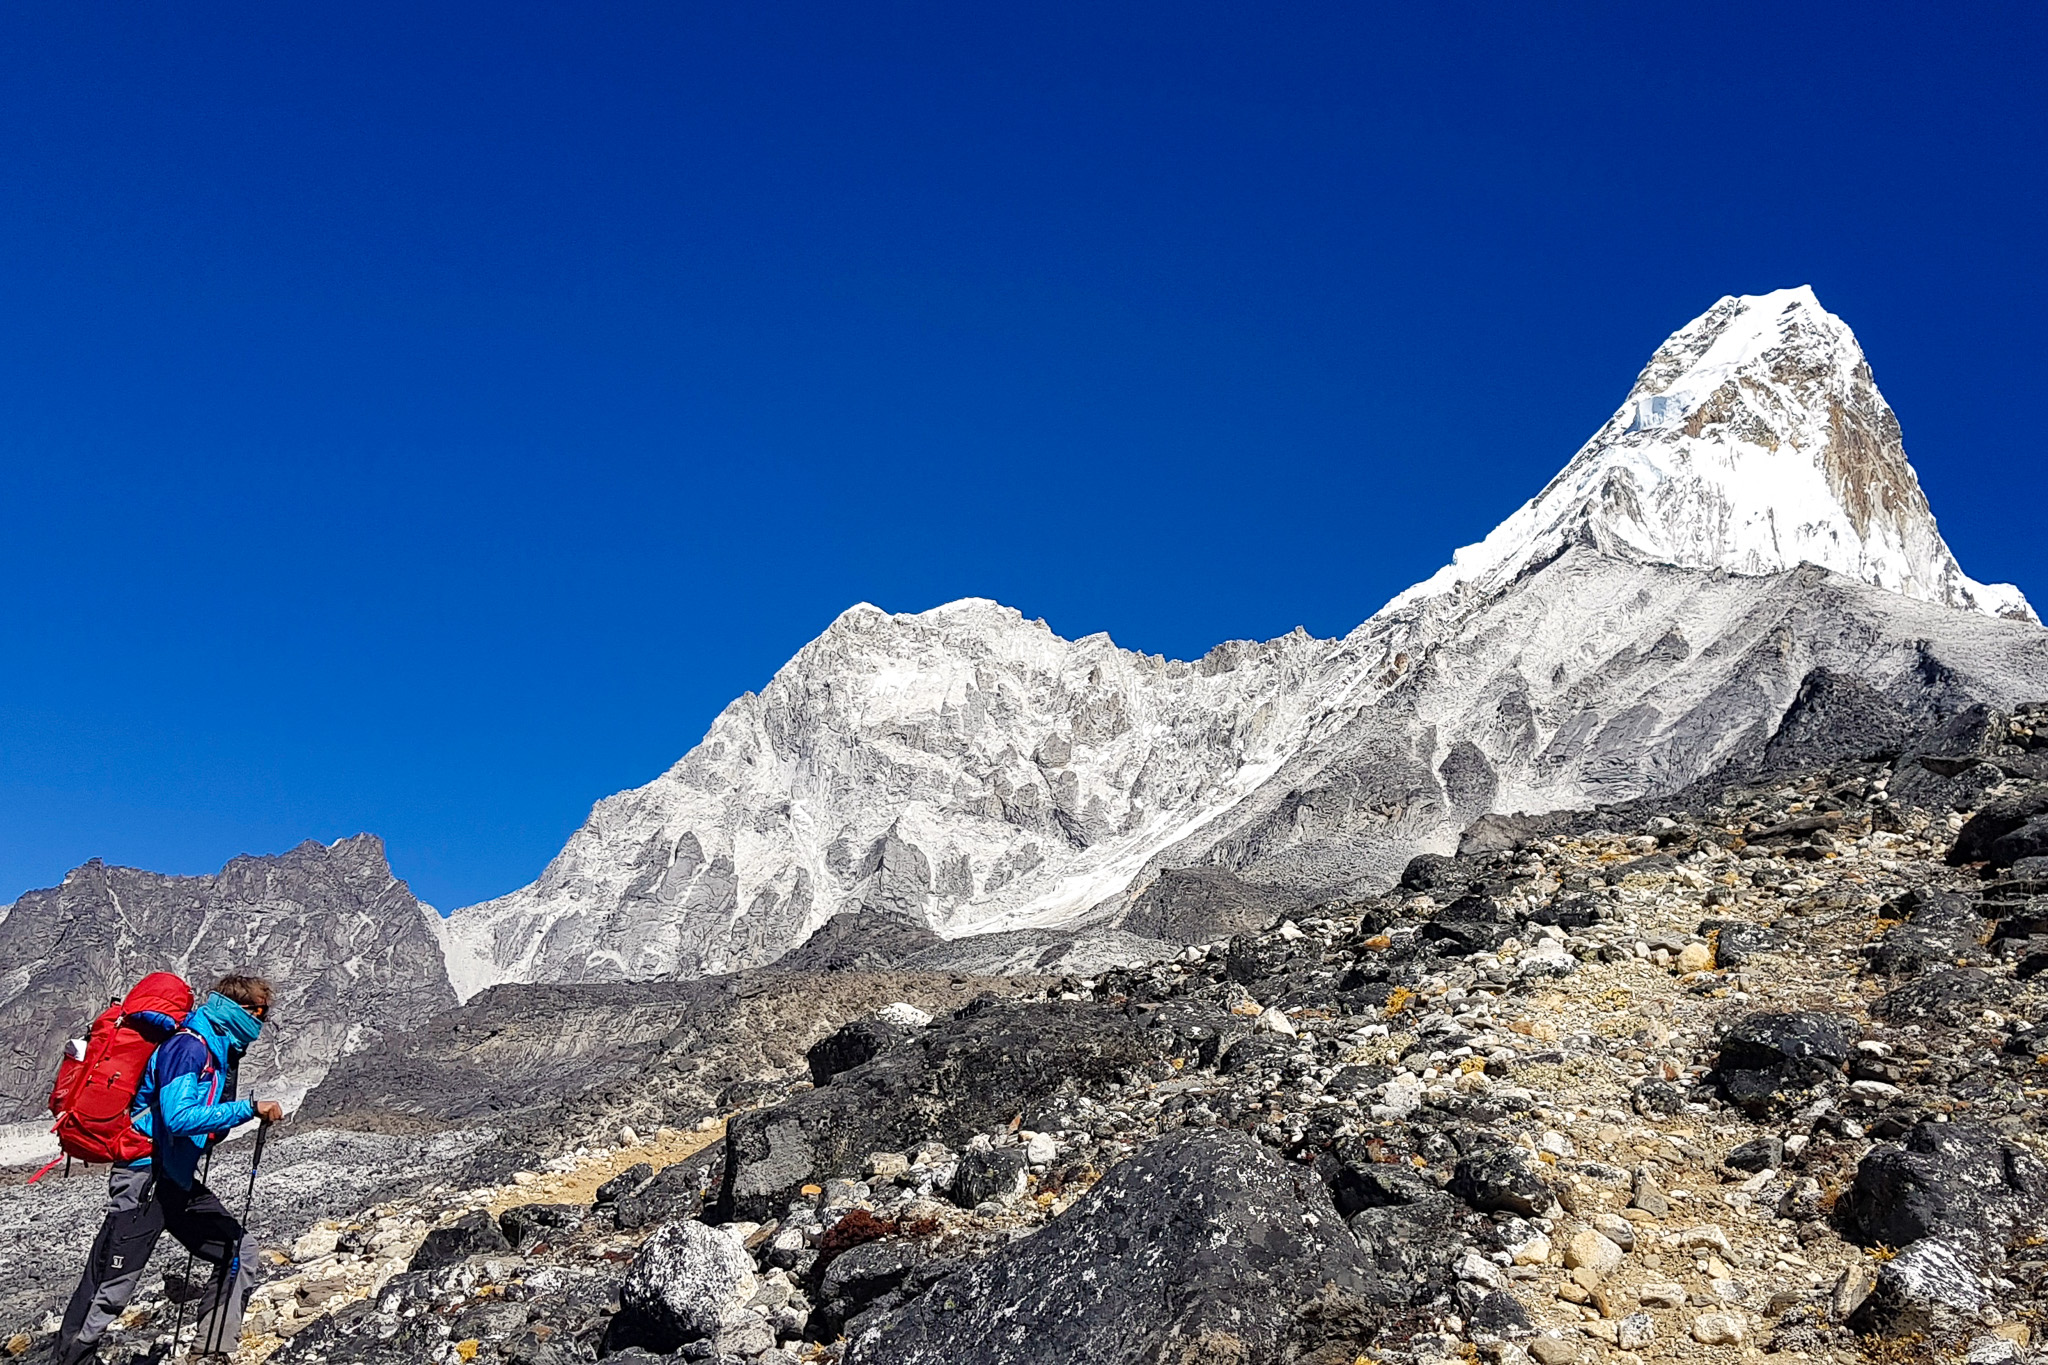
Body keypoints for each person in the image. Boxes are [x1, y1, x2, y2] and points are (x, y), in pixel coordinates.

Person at [53, 973, 286, 1365]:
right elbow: (178, 1117)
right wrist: (249, 1108)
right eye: (261, 1012)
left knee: (237, 1250)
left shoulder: (215, 1048)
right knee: (111, 1286)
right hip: (145, 1178)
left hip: (172, 1180)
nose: (262, 1022)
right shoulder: (189, 1046)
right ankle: (71, 1359)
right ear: (241, 1010)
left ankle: (211, 1350)